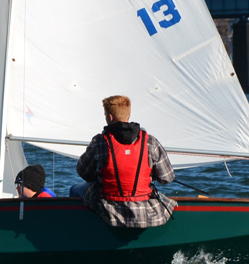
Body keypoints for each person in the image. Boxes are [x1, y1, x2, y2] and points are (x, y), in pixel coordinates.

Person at [70, 95, 177, 228]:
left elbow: (83, 171)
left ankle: (84, 231)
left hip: (108, 209)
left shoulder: (99, 141)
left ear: (110, 117)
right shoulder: (150, 142)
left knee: (74, 189)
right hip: (145, 211)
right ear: (128, 114)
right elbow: (167, 178)